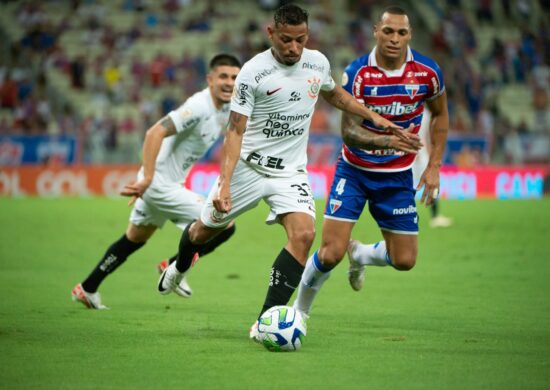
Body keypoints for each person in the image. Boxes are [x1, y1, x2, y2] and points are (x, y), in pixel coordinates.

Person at [156, 4, 420, 338]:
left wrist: (374, 117)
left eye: (300, 39)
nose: (294, 47)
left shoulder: (316, 62)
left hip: (290, 173)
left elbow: (335, 94)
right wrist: (224, 184)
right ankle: (178, 268)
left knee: (304, 235)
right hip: (248, 170)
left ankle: (265, 321)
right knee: (201, 232)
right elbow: (235, 131)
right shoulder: (253, 73)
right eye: (286, 40)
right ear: (271, 34)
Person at [293, 6, 449, 316]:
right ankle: (298, 314)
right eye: (388, 31)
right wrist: (388, 139)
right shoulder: (358, 73)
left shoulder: (428, 73)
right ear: (376, 31)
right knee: (330, 253)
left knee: (405, 260)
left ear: (410, 35)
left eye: (401, 33)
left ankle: (361, 253)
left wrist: (433, 167)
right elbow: (349, 132)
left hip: (398, 175)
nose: (394, 38)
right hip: (354, 172)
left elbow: (441, 114)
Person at [71, 54, 241, 309]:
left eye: (235, 77)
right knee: (224, 223)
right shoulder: (198, 106)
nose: (229, 83)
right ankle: (174, 265)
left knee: (134, 239)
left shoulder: (226, 107)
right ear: (210, 79)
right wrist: (148, 178)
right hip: (159, 185)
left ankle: (88, 288)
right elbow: (155, 132)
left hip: (167, 185)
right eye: (223, 77)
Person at [412, 108, 452, 228]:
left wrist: (431, 155)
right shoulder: (410, 109)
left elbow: (427, 136)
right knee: (408, 186)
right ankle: (407, 215)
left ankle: (435, 216)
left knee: (431, 183)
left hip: (422, 154)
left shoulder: (427, 113)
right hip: (412, 154)